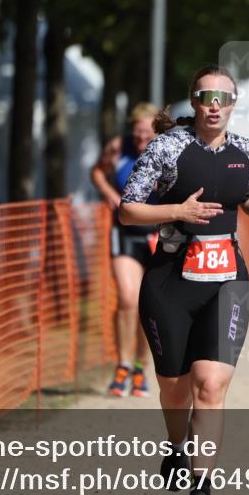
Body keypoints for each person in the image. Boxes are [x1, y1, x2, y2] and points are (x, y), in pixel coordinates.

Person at [118, 65, 249, 495]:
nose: (215, 105)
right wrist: (178, 210)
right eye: (206, 96)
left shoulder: (248, 151)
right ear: (193, 101)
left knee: (209, 387)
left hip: (226, 280)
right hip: (170, 279)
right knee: (175, 390)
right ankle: (176, 448)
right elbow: (128, 209)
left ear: (233, 105)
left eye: (224, 97)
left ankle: (201, 490)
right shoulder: (167, 147)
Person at [91, 103, 159, 397]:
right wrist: (110, 196)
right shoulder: (120, 148)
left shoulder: (167, 151)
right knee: (127, 298)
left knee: (148, 305)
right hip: (125, 232)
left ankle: (142, 368)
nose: (142, 138)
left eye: (147, 133)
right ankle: (123, 365)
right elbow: (97, 172)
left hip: (158, 234)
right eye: (138, 132)